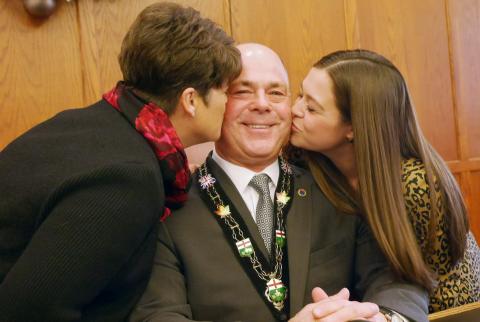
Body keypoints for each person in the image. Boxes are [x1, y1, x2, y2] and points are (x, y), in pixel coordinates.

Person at [130, 43, 428, 322]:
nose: (262, 104)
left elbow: (397, 281)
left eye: (276, 93)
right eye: (242, 92)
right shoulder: (167, 212)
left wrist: (381, 318)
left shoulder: (335, 188)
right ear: (214, 102)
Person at [0, 2, 241, 321]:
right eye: (226, 90)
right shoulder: (128, 178)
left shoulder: (92, 124)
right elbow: (31, 310)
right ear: (192, 100)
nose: (229, 103)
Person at [289, 48, 480, 313]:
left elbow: (422, 283)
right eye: (300, 95)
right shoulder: (305, 166)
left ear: (353, 128)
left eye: (311, 107)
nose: (294, 110)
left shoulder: (416, 186)